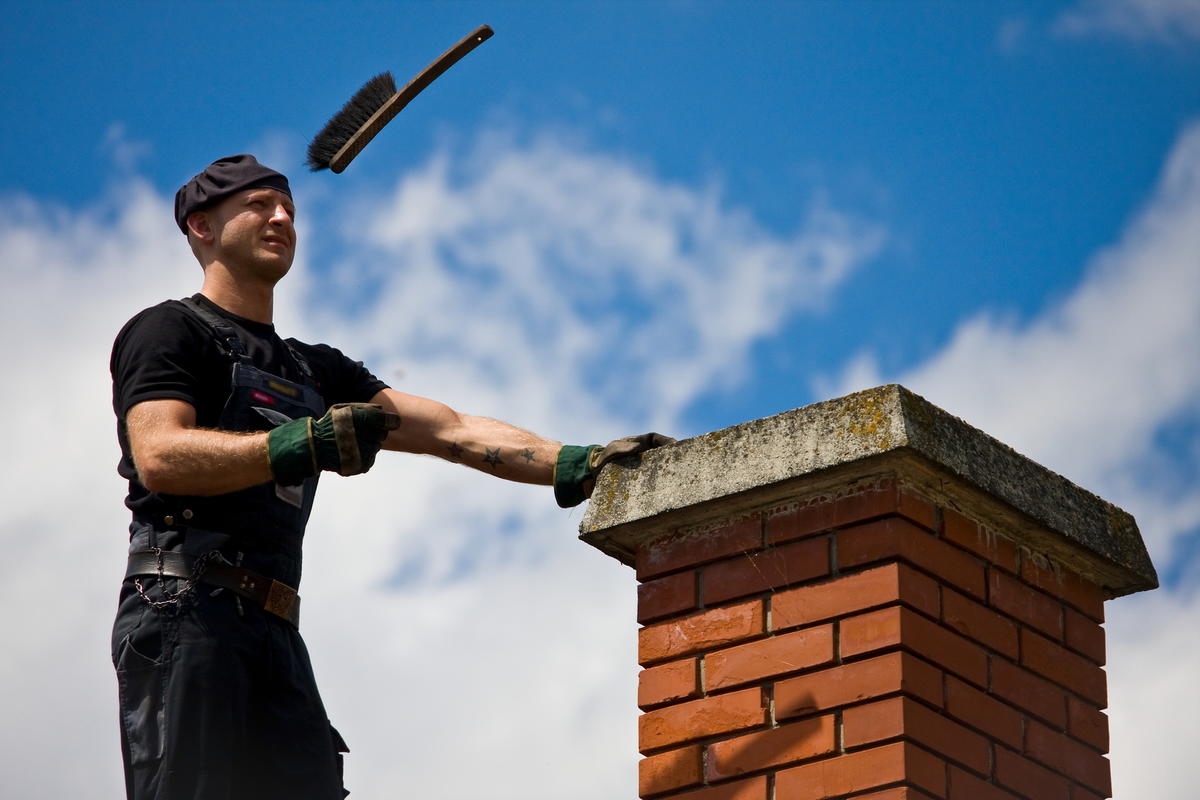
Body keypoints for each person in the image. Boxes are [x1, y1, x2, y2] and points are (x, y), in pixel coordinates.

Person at [109, 154, 670, 799]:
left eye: (288, 206)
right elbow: (160, 455)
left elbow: (452, 430)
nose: (282, 217)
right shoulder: (170, 330)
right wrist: (299, 442)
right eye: (258, 205)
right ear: (201, 227)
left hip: (273, 629)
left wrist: (580, 463)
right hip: (184, 611)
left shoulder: (313, 370)